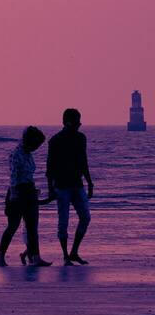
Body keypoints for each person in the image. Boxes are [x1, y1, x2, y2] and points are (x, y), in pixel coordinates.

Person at [45, 108, 94, 265]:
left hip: (77, 184)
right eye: (77, 122)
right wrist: (50, 189)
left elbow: (83, 161)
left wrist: (89, 182)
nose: (80, 125)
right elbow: (49, 168)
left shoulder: (81, 138)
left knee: (85, 217)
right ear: (67, 123)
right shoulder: (55, 141)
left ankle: (74, 252)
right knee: (63, 222)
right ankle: (65, 256)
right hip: (61, 186)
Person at [0, 127, 52, 267]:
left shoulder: (28, 153)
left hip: (29, 191)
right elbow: (14, 176)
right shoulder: (16, 154)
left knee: (32, 227)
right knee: (12, 226)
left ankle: (36, 257)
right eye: (36, 145)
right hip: (18, 191)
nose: (37, 148)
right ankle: (1, 256)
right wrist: (14, 196)